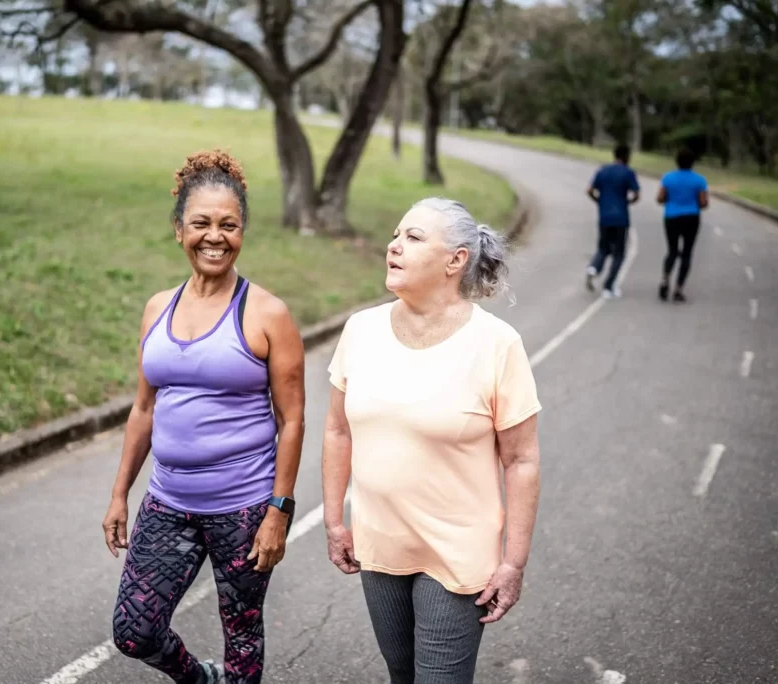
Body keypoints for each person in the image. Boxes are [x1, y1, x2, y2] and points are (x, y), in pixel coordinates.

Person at [102, 150, 306, 684]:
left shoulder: (267, 313)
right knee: (134, 631)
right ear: (179, 230)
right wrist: (121, 492)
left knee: (242, 636)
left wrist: (279, 511)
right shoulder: (157, 308)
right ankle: (199, 679)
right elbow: (144, 407)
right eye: (201, 224)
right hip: (169, 501)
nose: (214, 237)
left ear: (242, 231)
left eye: (228, 225)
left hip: (243, 507)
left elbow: (293, 419)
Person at [322, 198, 543, 684]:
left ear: (456, 260)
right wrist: (336, 520)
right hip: (379, 545)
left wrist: (513, 562)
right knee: (402, 673)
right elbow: (338, 429)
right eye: (397, 235)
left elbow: (522, 459)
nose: (393, 246)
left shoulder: (496, 344)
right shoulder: (362, 330)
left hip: (457, 552)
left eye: (414, 238)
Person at [586, 144, 640, 298]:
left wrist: (598, 200)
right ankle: (608, 287)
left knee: (603, 248)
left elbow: (589, 190)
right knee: (619, 253)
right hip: (621, 218)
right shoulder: (628, 173)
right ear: (626, 156)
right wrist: (628, 202)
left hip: (604, 216)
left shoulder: (603, 170)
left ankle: (594, 267)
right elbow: (636, 194)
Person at [657, 148, 709, 303]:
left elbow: (660, 199)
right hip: (691, 217)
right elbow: (703, 203)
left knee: (672, 250)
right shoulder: (700, 180)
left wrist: (671, 200)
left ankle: (665, 279)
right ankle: (678, 289)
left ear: (676, 161)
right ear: (693, 163)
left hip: (671, 216)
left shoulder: (668, 178)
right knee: (687, 252)